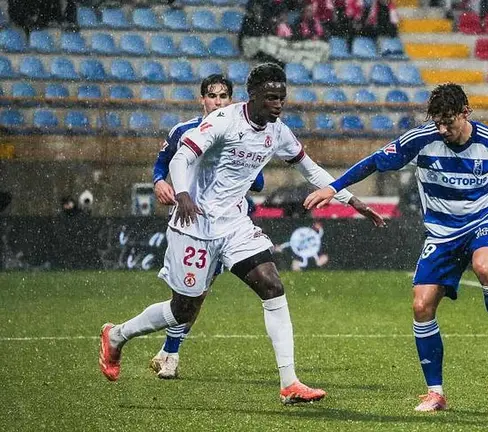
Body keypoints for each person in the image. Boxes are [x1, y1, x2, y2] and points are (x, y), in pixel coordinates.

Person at [99, 63, 386, 405]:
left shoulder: (278, 131)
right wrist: (183, 193)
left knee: (272, 285)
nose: (278, 104)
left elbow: (311, 170)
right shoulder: (224, 121)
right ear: (253, 96)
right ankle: (117, 335)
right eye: (271, 98)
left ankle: (289, 383)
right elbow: (181, 158)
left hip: (235, 225)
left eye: (282, 97)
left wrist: (351, 199)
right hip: (195, 225)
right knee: (182, 310)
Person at [304, 83, 488, 412]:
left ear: (465, 113)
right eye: (438, 122)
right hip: (441, 235)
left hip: (483, 222)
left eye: (449, 122)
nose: (443, 129)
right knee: (420, 307)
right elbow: (374, 161)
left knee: (486, 268)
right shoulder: (421, 139)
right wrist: (334, 187)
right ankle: (436, 393)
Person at [148, 74, 266, 379]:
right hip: (190, 223)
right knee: (184, 296)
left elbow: (258, 181)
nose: (219, 101)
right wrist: (160, 182)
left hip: (224, 227)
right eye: (213, 96)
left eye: (224, 96)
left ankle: (170, 353)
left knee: (198, 295)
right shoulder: (183, 131)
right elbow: (163, 162)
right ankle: (145, 341)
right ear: (202, 99)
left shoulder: (239, 133)